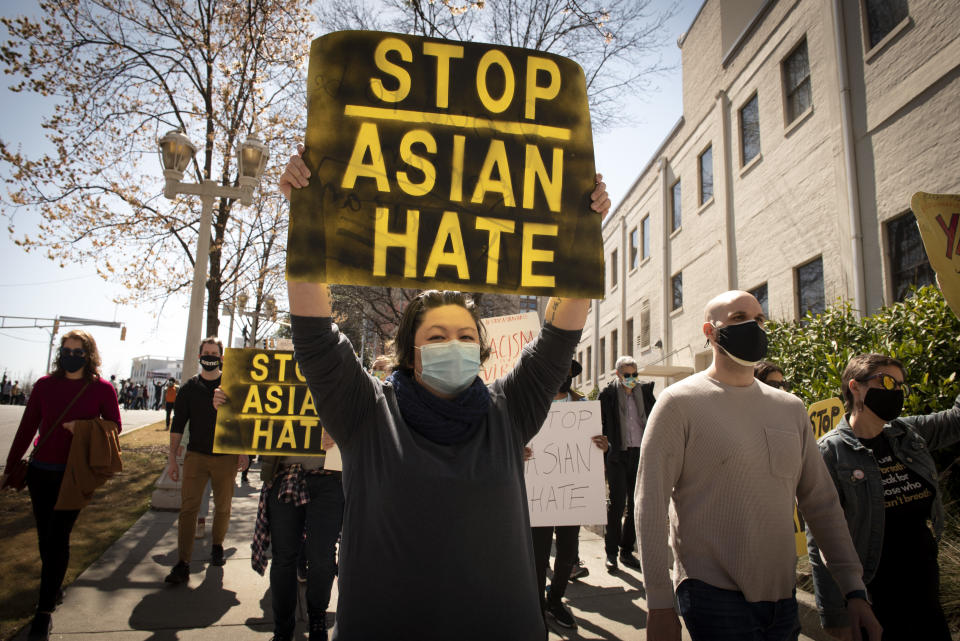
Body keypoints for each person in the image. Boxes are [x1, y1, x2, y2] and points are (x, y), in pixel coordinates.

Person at [280, 146, 609, 640]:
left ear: (481, 351)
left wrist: (585, 231)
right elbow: (314, 333)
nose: (452, 345)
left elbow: (560, 334)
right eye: (436, 336)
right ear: (411, 354)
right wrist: (303, 213)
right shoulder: (365, 412)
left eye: (465, 336)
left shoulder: (509, 409)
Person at [637, 290, 882, 641]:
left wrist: (853, 591)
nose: (753, 326)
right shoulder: (677, 404)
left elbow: (822, 504)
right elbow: (650, 505)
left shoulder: (790, 408)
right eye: (739, 318)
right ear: (710, 332)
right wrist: (659, 602)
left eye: (759, 318)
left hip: (782, 602)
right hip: (711, 596)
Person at [808, 354, 960, 640]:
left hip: (923, 585)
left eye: (900, 385)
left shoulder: (908, 434)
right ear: (855, 387)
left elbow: (956, 420)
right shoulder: (831, 452)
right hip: (874, 596)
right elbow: (821, 538)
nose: (896, 392)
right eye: (887, 382)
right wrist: (834, 611)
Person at [1, 330, 121, 641]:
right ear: (60, 354)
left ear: (89, 355)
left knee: (59, 536)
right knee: (45, 538)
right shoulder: (43, 385)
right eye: (66, 350)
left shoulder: (102, 389)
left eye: (78, 351)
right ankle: (52, 590)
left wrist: (81, 428)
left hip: (75, 474)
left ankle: (43, 611)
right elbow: (28, 427)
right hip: (41, 472)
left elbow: (114, 427)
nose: (71, 355)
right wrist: (11, 466)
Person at [526, 359, 608, 630]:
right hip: (539, 494)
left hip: (571, 495)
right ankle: (536, 607)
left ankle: (555, 599)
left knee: (567, 552)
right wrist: (519, 450)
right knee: (537, 557)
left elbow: (598, 440)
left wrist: (604, 446)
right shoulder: (533, 404)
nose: (562, 376)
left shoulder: (583, 405)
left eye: (566, 372)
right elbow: (516, 436)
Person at [164, 337, 247, 584]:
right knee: (189, 508)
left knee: (223, 507)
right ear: (200, 356)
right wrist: (172, 458)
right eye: (206, 352)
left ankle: (217, 546)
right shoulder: (188, 389)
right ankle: (183, 562)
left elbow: (241, 420)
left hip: (225, 457)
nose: (209, 356)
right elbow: (177, 425)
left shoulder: (232, 385)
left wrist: (243, 452)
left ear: (222, 357)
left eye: (214, 352)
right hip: (196, 456)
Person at [598, 355, 655, 572]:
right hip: (617, 455)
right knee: (616, 503)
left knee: (635, 505)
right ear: (618, 375)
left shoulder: (646, 393)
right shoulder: (608, 395)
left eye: (634, 374)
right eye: (627, 375)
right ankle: (610, 553)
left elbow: (654, 419)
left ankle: (626, 551)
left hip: (639, 454)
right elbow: (600, 425)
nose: (631, 378)